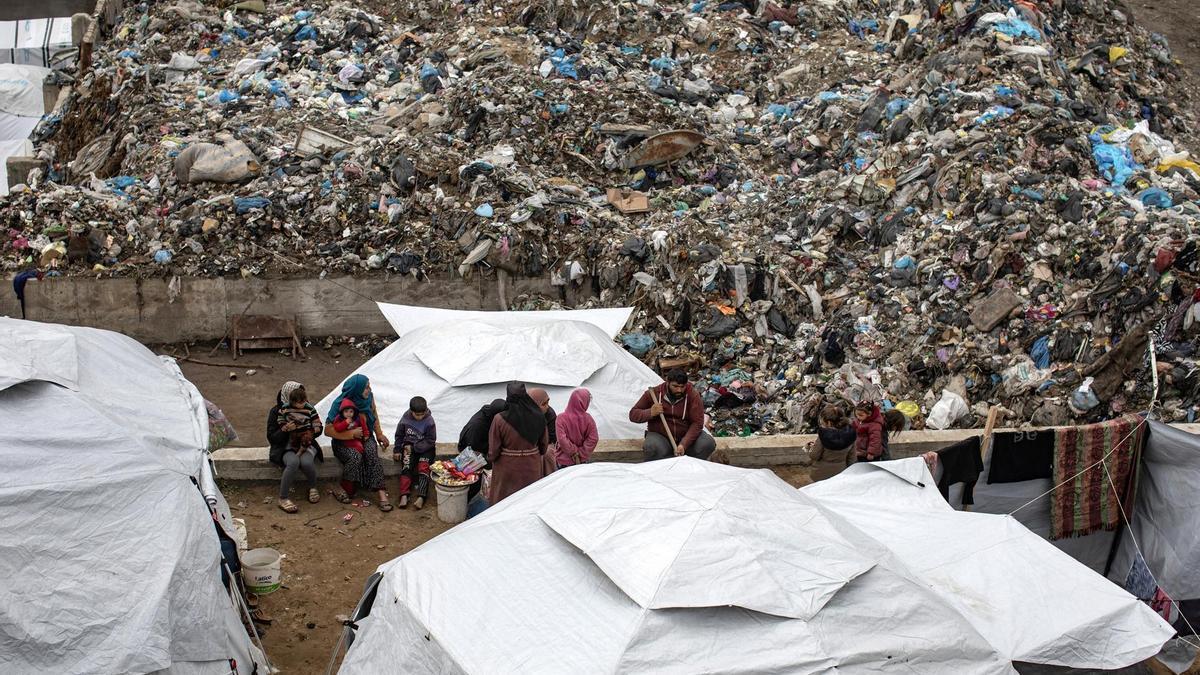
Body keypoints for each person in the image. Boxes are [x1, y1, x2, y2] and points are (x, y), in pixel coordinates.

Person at [324, 374, 393, 511]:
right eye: (366, 387)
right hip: (343, 442)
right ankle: (345, 488)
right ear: (356, 389)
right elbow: (328, 430)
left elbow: (373, 414)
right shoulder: (340, 404)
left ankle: (381, 494)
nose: (369, 389)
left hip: (365, 436)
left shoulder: (368, 398)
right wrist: (351, 434)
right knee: (355, 456)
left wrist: (379, 434)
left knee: (372, 453)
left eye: (369, 386)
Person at [629, 369, 716, 461]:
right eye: (675, 386)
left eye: (682, 387)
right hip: (661, 436)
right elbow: (633, 414)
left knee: (707, 443)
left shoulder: (692, 395)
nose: (679, 390)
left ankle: (689, 467)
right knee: (652, 447)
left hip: (685, 436)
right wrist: (650, 412)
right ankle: (663, 470)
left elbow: (697, 423)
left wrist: (684, 444)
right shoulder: (654, 393)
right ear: (667, 382)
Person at [488, 382, 551, 505]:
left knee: (504, 501)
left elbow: (493, 450)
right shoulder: (539, 417)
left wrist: (492, 459)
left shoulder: (499, 419)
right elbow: (544, 446)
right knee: (528, 500)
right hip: (531, 466)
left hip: (506, 467)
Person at [267, 381, 323, 514]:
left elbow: (318, 426)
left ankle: (313, 487)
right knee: (293, 462)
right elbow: (272, 437)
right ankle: (283, 498)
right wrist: (285, 429)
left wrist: (311, 432)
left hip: (306, 443)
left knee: (307, 462)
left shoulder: (307, 408)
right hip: (286, 446)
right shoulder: (277, 411)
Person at [394, 396, 436, 510]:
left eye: (422, 414)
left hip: (426, 448)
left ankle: (421, 497)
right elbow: (399, 435)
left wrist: (417, 447)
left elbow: (431, 440)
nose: (420, 417)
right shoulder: (405, 419)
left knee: (423, 468)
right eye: (417, 415)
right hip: (409, 446)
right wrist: (397, 449)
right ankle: (404, 494)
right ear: (411, 411)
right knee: (406, 466)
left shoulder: (429, 421)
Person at [554, 388, 598, 469]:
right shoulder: (589, 419)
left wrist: (573, 452)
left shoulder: (561, 418)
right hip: (582, 461)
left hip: (563, 460)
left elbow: (562, 439)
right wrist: (580, 454)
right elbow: (593, 439)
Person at [527, 387, 559, 475]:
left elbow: (552, 437)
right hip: (528, 446)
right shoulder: (524, 413)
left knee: (547, 453)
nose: (547, 406)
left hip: (545, 445)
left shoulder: (550, 414)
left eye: (548, 402)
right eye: (544, 404)